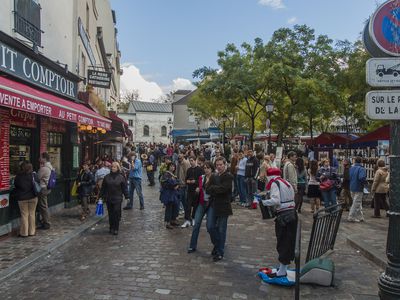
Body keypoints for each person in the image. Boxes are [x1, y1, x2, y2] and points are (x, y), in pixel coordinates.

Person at [261, 167, 297, 278]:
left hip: (284, 216)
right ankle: (283, 268)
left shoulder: (275, 183)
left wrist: (263, 201)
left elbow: (276, 200)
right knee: (289, 242)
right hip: (292, 214)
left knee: (283, 242)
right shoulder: (285, 182)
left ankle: (282, 271)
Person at [206, 157, 233, 262]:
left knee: (221, 230)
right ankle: (217, 245)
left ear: (225, 165)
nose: (219, 166)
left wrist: (214, 188)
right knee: (210, 227)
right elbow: (208, 189)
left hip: (224, 206)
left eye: (221, 164)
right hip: (213, 204)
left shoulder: (228, 176)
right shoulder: (214, 176)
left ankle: (220, 252)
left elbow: (224, 189)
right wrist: (215, 189)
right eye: (217, 165)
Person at [188, 161, 215, 253]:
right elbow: (200, 188)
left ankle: (216, 244)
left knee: (210, 226)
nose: (206, 170)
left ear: (212, 169)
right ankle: (192, 246)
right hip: (202, 203)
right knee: (196, 225)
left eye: (208, 168)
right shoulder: (201, 178)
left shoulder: (215, 177)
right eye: (205, 168)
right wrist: (198, 190)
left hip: (211, 204)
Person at [99, 162, 129, 235]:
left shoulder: (121, 177)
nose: (113, 168)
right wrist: (101, 197)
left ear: (117, 168)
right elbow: (103, 188)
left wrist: (127, 196)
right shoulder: (107, 177)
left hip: (118, 198)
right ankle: (111, 227)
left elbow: (124, 188)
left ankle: (116, 228)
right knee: (111, 214)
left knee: (116, 213)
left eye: (115, 167)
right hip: (109, 198)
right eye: (112, 167)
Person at [13, 161, 38, 237]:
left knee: (24, 215)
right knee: (32, 214)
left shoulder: (18, 176)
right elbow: (38, 183)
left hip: (22, 198)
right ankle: (32, 232)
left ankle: (24, 233)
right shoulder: (33, 175)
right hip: (33, 197)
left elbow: (16, 185)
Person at [183, 156, 204, 227]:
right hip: (190, 190)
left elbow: (202, 180)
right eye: (190, 161)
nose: (191, 162)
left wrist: (196, 182)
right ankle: (187, 219)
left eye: (192, 161)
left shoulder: (200, 169)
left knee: (195, 205)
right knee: (188, 205)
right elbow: (186, 179)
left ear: (195, 161)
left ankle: (194, 218)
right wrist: (187, 181)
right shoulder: (189, 170)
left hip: (197, 190)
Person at [160, 163, 181, 229]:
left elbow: (178, 182)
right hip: (168, 193)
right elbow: (165, 184)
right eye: (171, 166)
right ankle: (168, 222)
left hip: (174, 193)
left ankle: (173, 220)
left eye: (173, 166)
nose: (172, 167)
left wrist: (177, 185)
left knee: (175, 206)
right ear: (169, 167)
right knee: (169, 208)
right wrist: (173, 186)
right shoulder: (166, 174)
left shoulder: (173, 174)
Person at [37, 152, 53, 230]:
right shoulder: (50, 166)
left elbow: (37, 177)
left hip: (43, 188)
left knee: (43, 206)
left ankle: (46, 223)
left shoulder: (44, 168)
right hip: (47, 188)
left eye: (40, 157)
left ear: (44, 158)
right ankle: (44, 221)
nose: (39, 159)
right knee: (44, 205)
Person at [348, 157, 367, 222]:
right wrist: (365, 182)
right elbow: (361, 178)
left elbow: (349, 177)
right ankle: (351, 217)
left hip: (352, 186)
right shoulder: (361, 169)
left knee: (356, 202)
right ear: (361, 161)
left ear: (355, 161)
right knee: (356, 203)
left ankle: (360, 216)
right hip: (358, 187)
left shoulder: (351, 168)